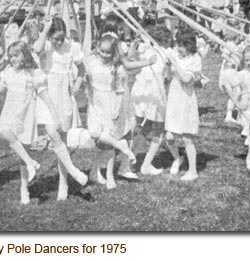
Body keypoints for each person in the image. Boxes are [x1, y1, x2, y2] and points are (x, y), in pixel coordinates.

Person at [34, 16, 88, 200]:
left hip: (63, 96)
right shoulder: (46, 46)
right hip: (46, 95)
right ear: (49, 36)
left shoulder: (72, 47)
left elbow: (82, 69)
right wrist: (46, 28)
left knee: (62, 142)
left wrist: (78, 84)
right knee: (52, 133)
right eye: (55, 38)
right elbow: (36, 48)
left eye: (61, 38)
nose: (58, 41)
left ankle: (63, 183)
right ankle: (74, 171)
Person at [84, 35, 137, 189]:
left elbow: (120, 90)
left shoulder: (117, 67)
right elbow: (85, 46)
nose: (104, 55)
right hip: (95, 104)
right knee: (95, 134)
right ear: (98, 49)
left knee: (107, 141)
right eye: (102, 51)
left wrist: (116, 110)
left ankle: (107, 174)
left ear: (114, 53)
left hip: (110, 104)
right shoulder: (92, 62)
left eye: (108, 53)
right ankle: (122, 147)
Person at [0, 41, 41, 204]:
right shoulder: (8, 71)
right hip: (10, 111)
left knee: (22, 151)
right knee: (4, 132)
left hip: (26, 113)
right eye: (10, 56)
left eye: (16, 55)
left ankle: (24, 189)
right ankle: (31, 163)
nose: (12, 59)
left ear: (25, 55)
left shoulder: (31, 71)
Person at [131, 25, 173, 175]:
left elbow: (132, 56)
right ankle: (146, 165)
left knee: (144, 127)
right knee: (160, 129)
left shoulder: (144, 49)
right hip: (154, 94)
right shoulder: (165, 52)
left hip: (140, 91)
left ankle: (130, 159)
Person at [164, 31, 202, 181]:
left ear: (190, 46)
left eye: (182, 46)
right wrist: (168, 67)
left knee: (187, 137)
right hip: (174, 97)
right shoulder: (177, 56)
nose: (178, 48)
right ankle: (177, 158)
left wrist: (174, 62)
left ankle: (193, 171)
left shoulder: (195, 59)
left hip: (186, 98)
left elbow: (186, 79)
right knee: (169, 136)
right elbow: (169, 76)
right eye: (178, 45)